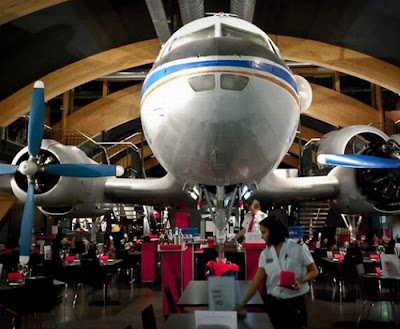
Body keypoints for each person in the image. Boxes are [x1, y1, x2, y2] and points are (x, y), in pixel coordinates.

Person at [235, 216, 319, 329]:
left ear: (273, 231)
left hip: (294, 304)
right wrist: (241, 304)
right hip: (273, 304)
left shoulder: (298, 248)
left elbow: (314, 271)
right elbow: (256, 281)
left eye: (264, 232)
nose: (261, 236)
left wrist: (300, 281)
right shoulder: (265, 254)